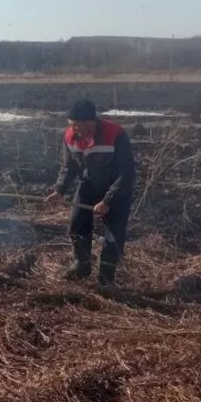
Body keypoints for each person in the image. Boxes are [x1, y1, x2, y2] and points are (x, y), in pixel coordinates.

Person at [45, 99, 135, 286]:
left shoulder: (116, 134)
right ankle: (82, 265)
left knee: (113, 236)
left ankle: (106, 277)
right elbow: (68, 167)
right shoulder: (70, 137)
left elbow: (126, 173)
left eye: (75, 125)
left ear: (88, 122)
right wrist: (59, 191)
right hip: (89, 186)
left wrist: (107, 201)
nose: (73, 129)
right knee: (77, 225)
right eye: (71, 125)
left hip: (117, 190)